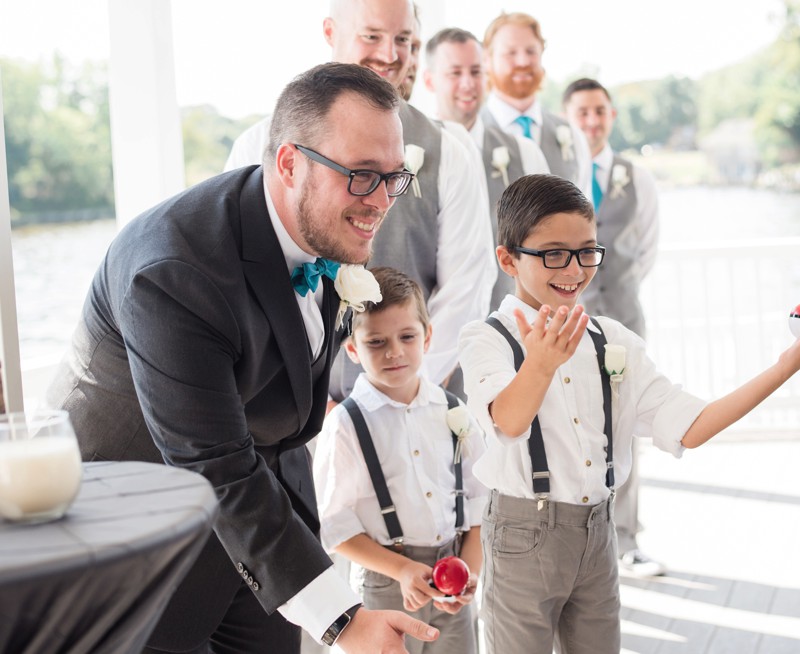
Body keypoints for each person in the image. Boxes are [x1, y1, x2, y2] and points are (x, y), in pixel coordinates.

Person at [46, 63, 440, 654]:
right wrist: (341, 619)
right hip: (139, 540)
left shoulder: (328, 227)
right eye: (361, 176)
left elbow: (281, 408)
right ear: (288, 163)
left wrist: (313, 575)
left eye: (394, 177)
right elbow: (213, 462)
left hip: (257, 526)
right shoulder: (175, 272)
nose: (381, 202)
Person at [458, 174, 800, 653]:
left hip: (597, 534)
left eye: (588, 251)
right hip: (522, 537)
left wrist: (785, 367)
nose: (574, 268)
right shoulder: (487, 339)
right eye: (553, 253)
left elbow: (692, 428)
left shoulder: (612, 340)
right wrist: (541, 363)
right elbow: (507, 420)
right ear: (508, 258)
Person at [225, 0, 495, 400]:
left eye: (403, 39)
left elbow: (466, 290)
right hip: (290, 414)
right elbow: (238, 283)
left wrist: (394, 394)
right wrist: (310, 407)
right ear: (331, 33)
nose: (390, 55)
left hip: (417, 405)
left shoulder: (450, 151)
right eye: (372, 36)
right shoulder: (259, 145)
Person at [314, 266, 487, 654]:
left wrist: (470, 572)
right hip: (385, 583)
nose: (394, 352)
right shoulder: (346, 425)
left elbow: (477, 508)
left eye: (407, 336)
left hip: (452, 579)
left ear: (427, 336)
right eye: (376, 342)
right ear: (353, 349)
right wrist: (401, 570)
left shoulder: (454, 410)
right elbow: (335, 529)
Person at [563, 77, 664, 576]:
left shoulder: (635, 176)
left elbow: (645, 249)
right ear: (567, 118)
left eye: (600, 111)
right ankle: (583, 541)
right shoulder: (555, 173)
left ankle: (627, 538)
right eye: (582, 112)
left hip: (622, 317)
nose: (592, 121)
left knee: (624, 426)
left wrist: (615, 293)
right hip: (564, 321)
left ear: (612, 116)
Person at [423, 27, 549, 308]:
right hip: (431, 335)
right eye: (455, 73)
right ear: (429, 80)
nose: (468, 83)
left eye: (476, 72)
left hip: (513, 332)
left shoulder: (525, 154)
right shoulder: (410, 153)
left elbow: (547, 242)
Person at [480, 12, 591, 197]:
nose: (523, 62)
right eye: (511, 53)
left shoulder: (573, 136)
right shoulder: (469, 134)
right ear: (487, 60)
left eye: (531, 51)